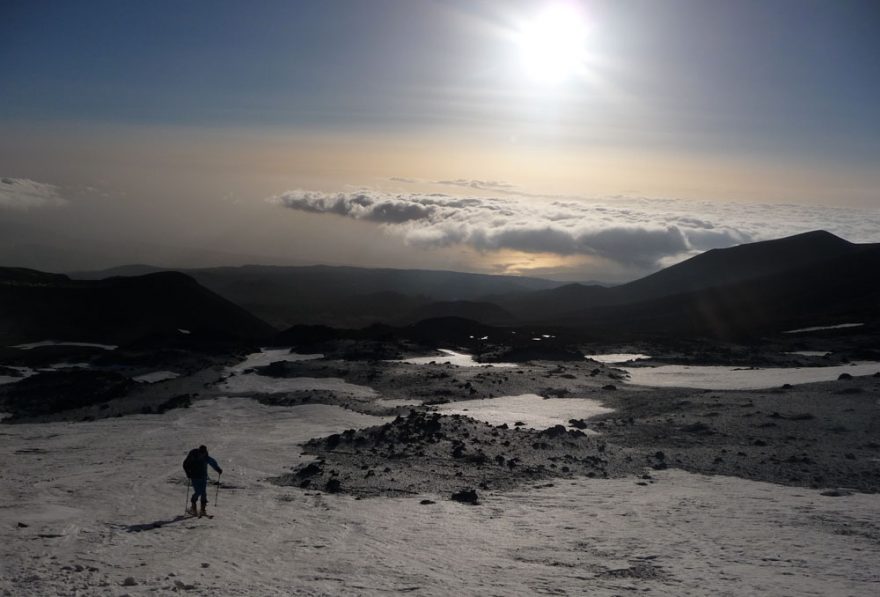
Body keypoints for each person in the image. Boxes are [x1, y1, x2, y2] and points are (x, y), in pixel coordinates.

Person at [183, 445, 223, 517]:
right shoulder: (193, 455)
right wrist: (188, 473)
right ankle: (193, 507)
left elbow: (212, 462)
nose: (203, 454)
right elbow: (185, 464)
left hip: (203, 477)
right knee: (198, 491)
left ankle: (202, 510)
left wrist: (218, 469)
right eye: (202, 452)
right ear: (199, 451)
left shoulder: (206, 457)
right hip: (194, 476)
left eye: (204, 453)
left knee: (203, 493)